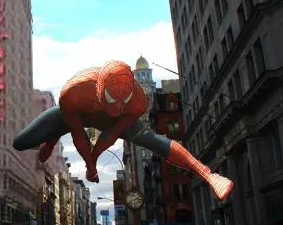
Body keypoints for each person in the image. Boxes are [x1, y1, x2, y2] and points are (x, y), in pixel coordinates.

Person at [12, 60, 234, 201]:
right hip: (71, 116)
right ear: (99, 89)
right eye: (111, 99)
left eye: (122, 100)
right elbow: (79, 135)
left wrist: (95, 162)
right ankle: (52, 136)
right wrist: (89, 166)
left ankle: (209, 174)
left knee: (152, 140)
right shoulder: (74, 92)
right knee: (21, 142)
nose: (117, 106)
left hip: (111, 123)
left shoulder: (137, 103)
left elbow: (110, 136)